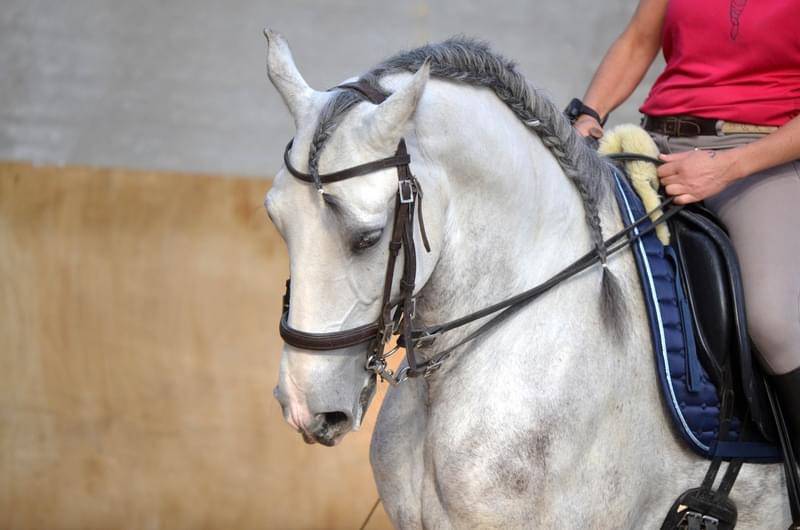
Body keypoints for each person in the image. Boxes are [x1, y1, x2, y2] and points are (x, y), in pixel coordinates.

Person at [569, 0, 800, 459]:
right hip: (653, 144)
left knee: (774, 320)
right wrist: (589, 113)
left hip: (757, 152)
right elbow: (638, 40)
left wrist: (726, 168)